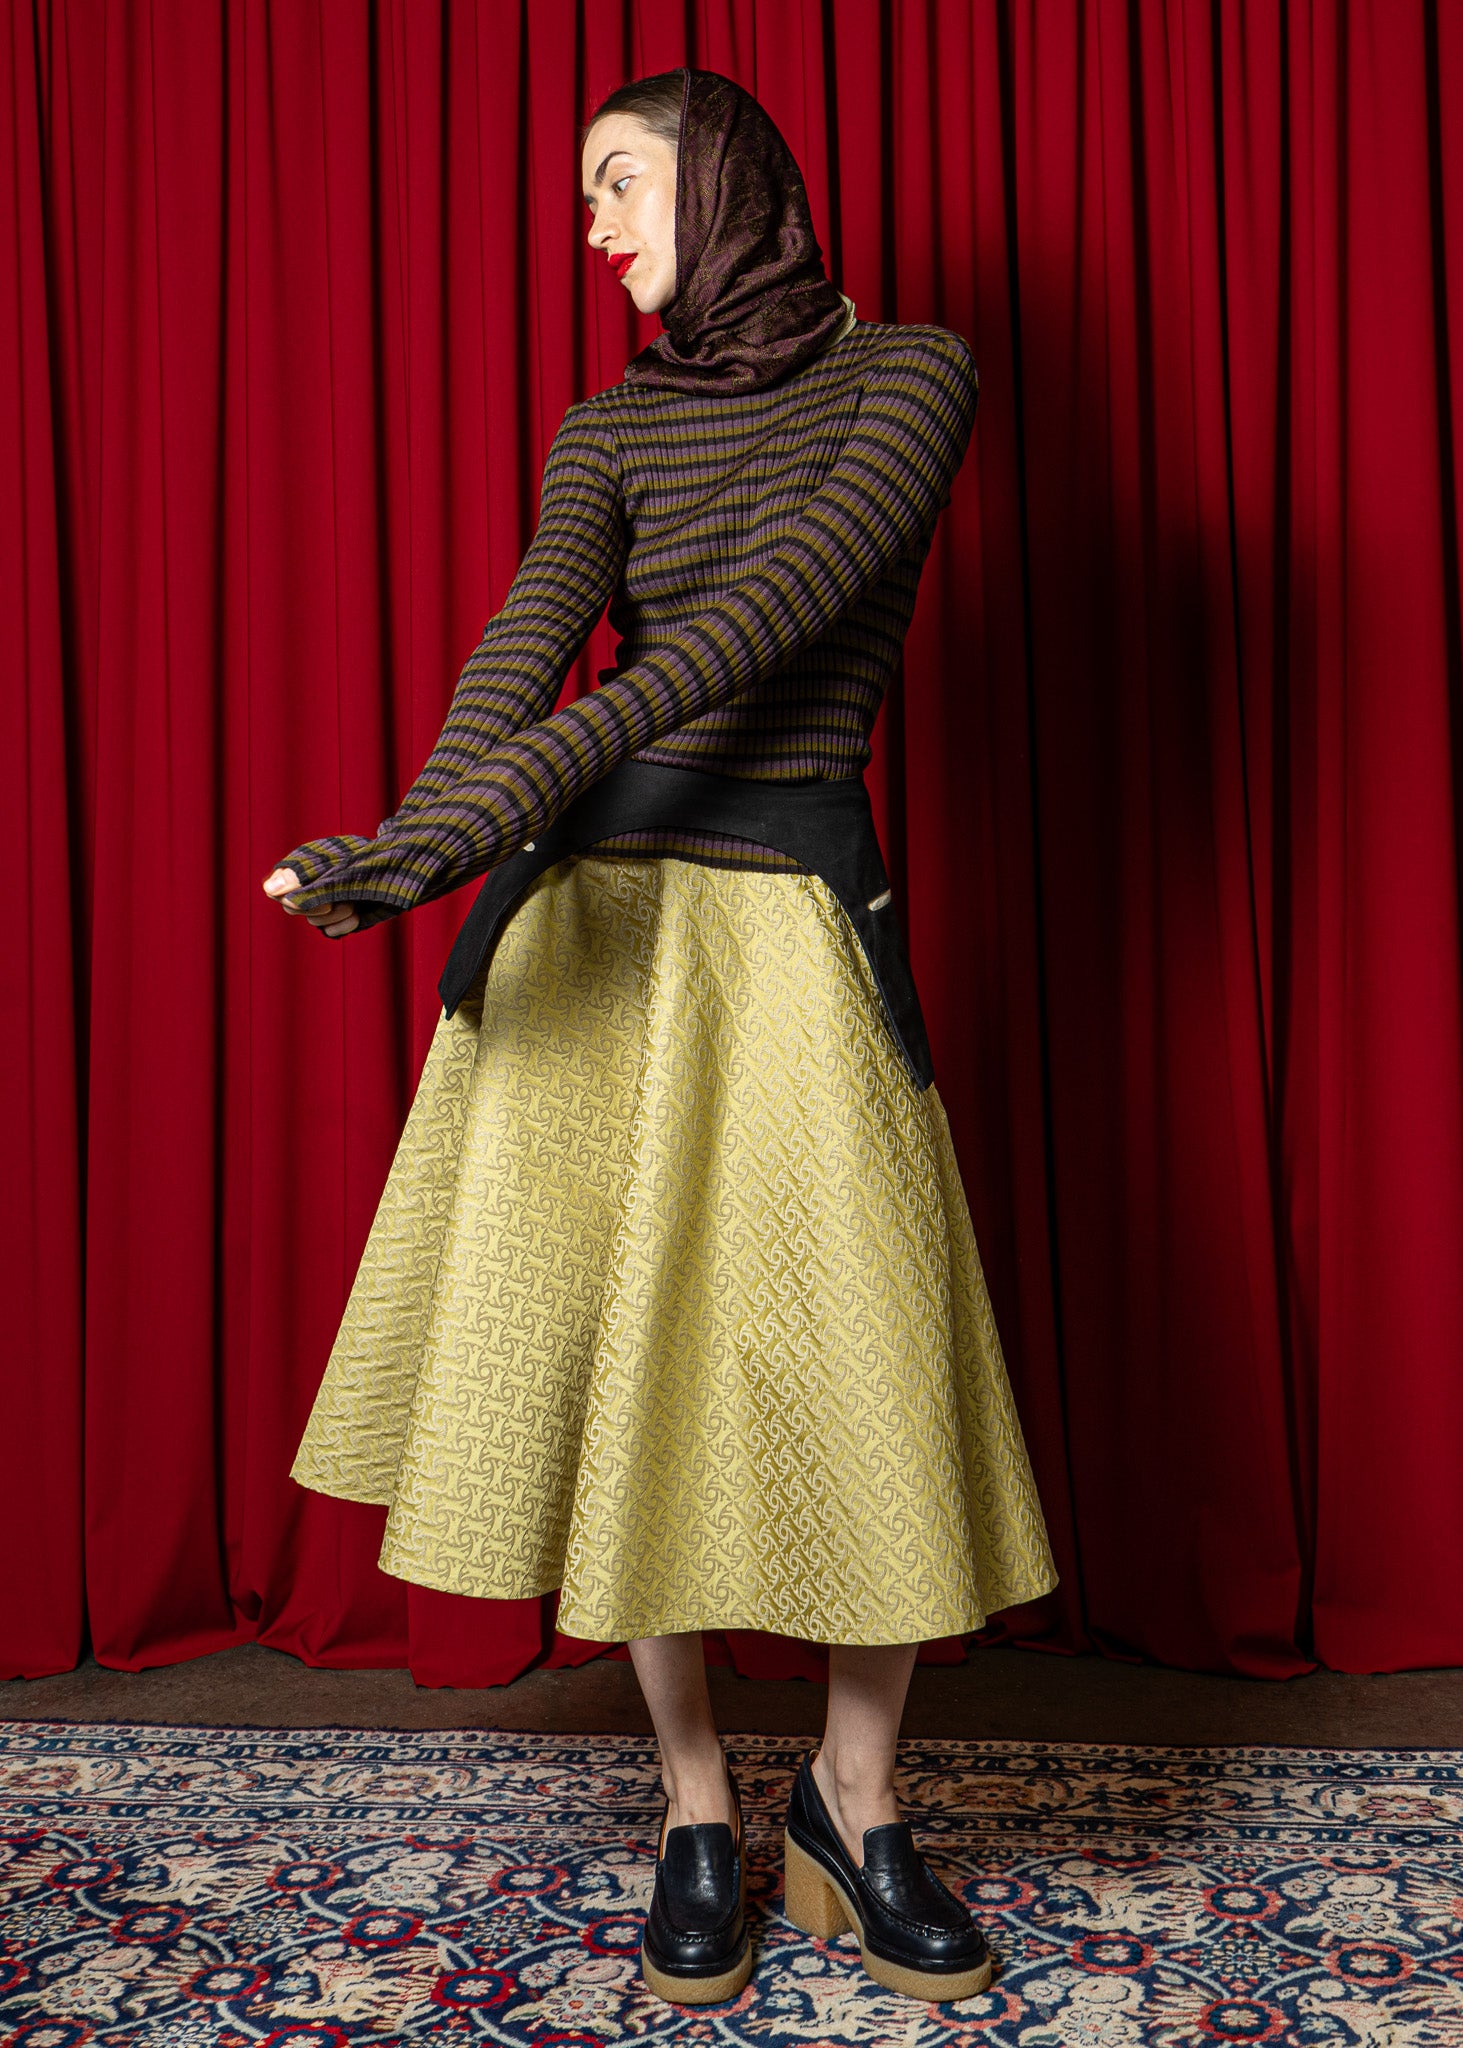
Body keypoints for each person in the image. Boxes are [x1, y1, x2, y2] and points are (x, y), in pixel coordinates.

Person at [263, 66, 1058, 2008]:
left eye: (620, 182)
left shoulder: (908, 377)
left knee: (866, 1350)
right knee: (633, 1372)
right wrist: (415, 837)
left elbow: (751, 633)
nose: (595, 226)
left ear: (724, 180)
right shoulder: (607, 424)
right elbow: (525, 645)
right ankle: (700, 1809)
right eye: (587, 195)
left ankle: (852, 1808)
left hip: (787, 906)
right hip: (596, 922)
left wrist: (461, 828)